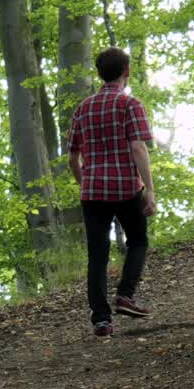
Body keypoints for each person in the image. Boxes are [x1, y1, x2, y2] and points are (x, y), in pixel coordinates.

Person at [67, 47, 156, 338]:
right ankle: (126, 295)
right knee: (138, 240)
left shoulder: (83, 109)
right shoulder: (130, 104)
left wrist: (86, 183)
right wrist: (149, 189)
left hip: (93, 193)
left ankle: (101, 320)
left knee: (97, 256)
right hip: (127, 188)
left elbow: (72, 158)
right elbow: (138, 147)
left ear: (99, 73)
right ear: (126, 71)